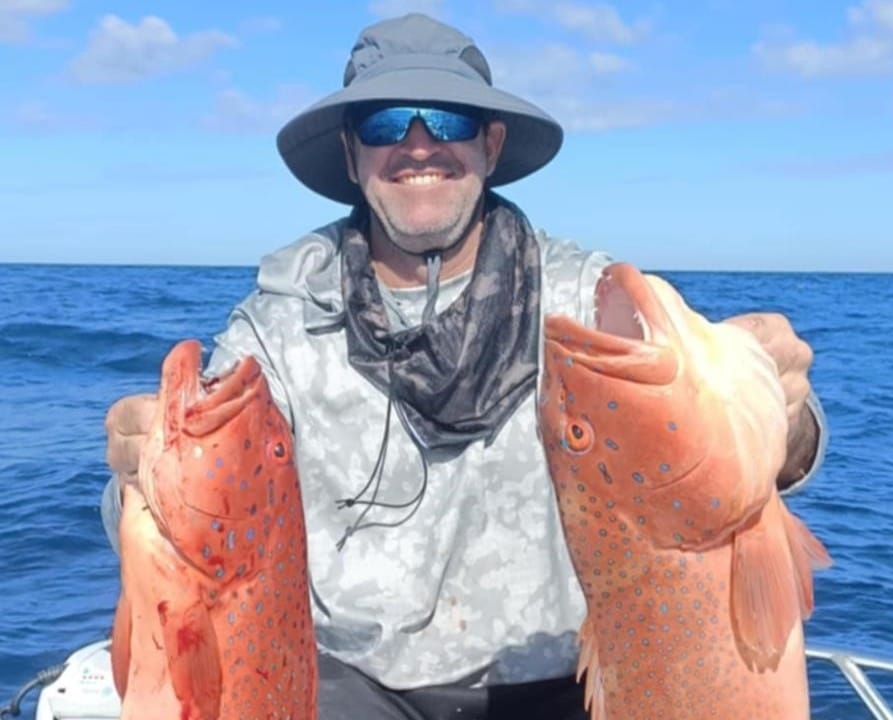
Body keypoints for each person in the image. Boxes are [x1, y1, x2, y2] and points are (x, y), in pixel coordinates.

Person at [102, 12, 827, 720]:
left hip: (565, 678)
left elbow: (762, 462)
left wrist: (784, 409)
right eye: (388, 124)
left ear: (491, 142)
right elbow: (207, 527)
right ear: (353, 156)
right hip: (350, 684)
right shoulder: (282, 322)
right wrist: (139, 474)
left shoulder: (585, 298)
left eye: (447, 120)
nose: (419, 146)